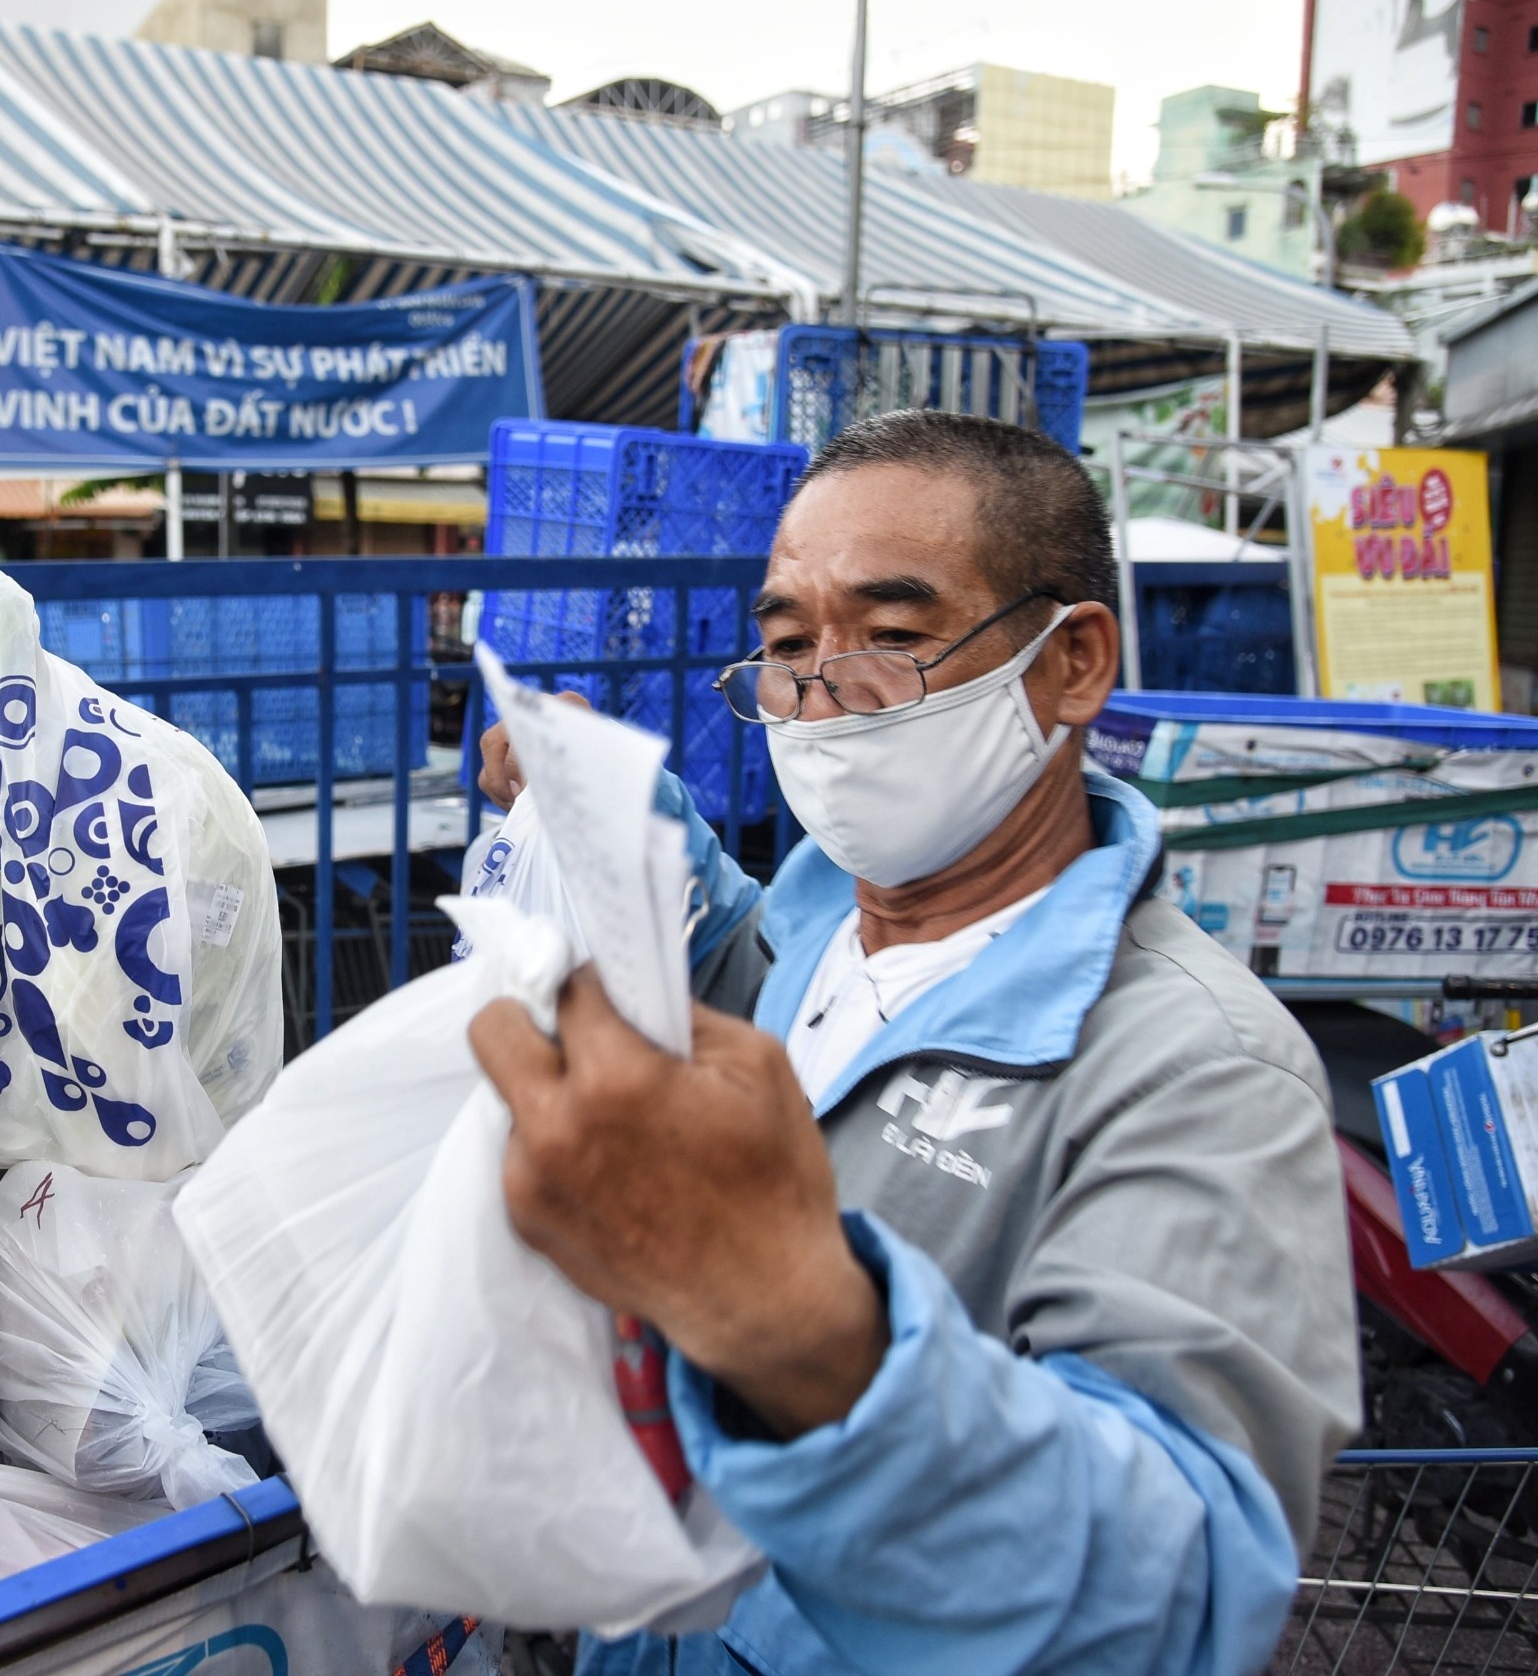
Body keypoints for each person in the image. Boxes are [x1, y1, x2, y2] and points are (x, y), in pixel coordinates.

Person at [469, 409, 1357, 1676]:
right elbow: (727, 952)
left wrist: (796, 1326)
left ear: (1071, 664)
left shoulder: (1197, 1067)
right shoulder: (818, 915)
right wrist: (605, 812)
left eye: (893, 636)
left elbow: (1168, 1597)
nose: (825, 695)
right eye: (786, 644)